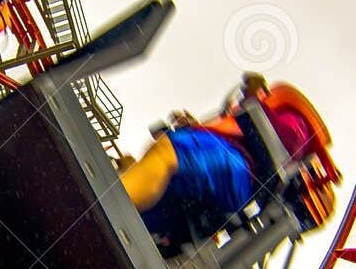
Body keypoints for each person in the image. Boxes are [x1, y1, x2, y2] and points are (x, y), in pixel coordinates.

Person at [119, 74, 338, 257]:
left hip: (237, 171)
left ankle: (111, 199)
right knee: (151, 190)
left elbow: (285, 140)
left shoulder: (297, 123)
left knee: (169, 152)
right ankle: (122, 204)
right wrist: (194, 127)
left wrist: (254, 96)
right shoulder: (236, 129)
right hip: (221, 175)